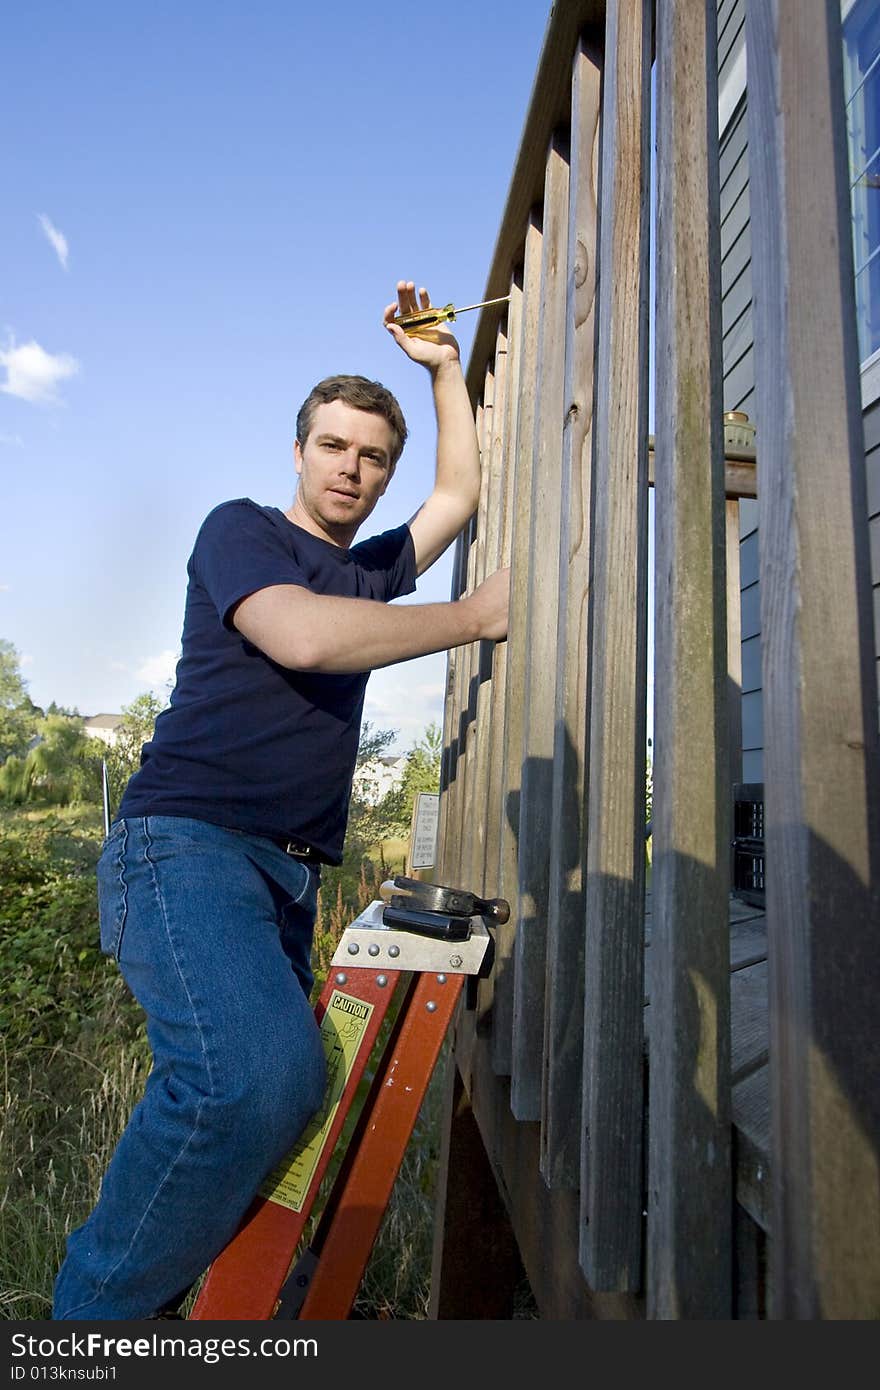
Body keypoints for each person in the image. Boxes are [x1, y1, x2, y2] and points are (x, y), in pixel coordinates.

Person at [51, 280, 509, 1320]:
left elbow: (456, 499)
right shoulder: (242, 532)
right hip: (184, 847)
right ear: (298, 452)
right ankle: (89, 1327)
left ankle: (162, 1306)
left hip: (283, 875)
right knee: (246, 1084)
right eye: (334, 446)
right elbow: (302, 637)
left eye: (372, 456)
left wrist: (441, 373)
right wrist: (476, 614)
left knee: (286, 1092)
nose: (353, 467)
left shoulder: (364, 571)